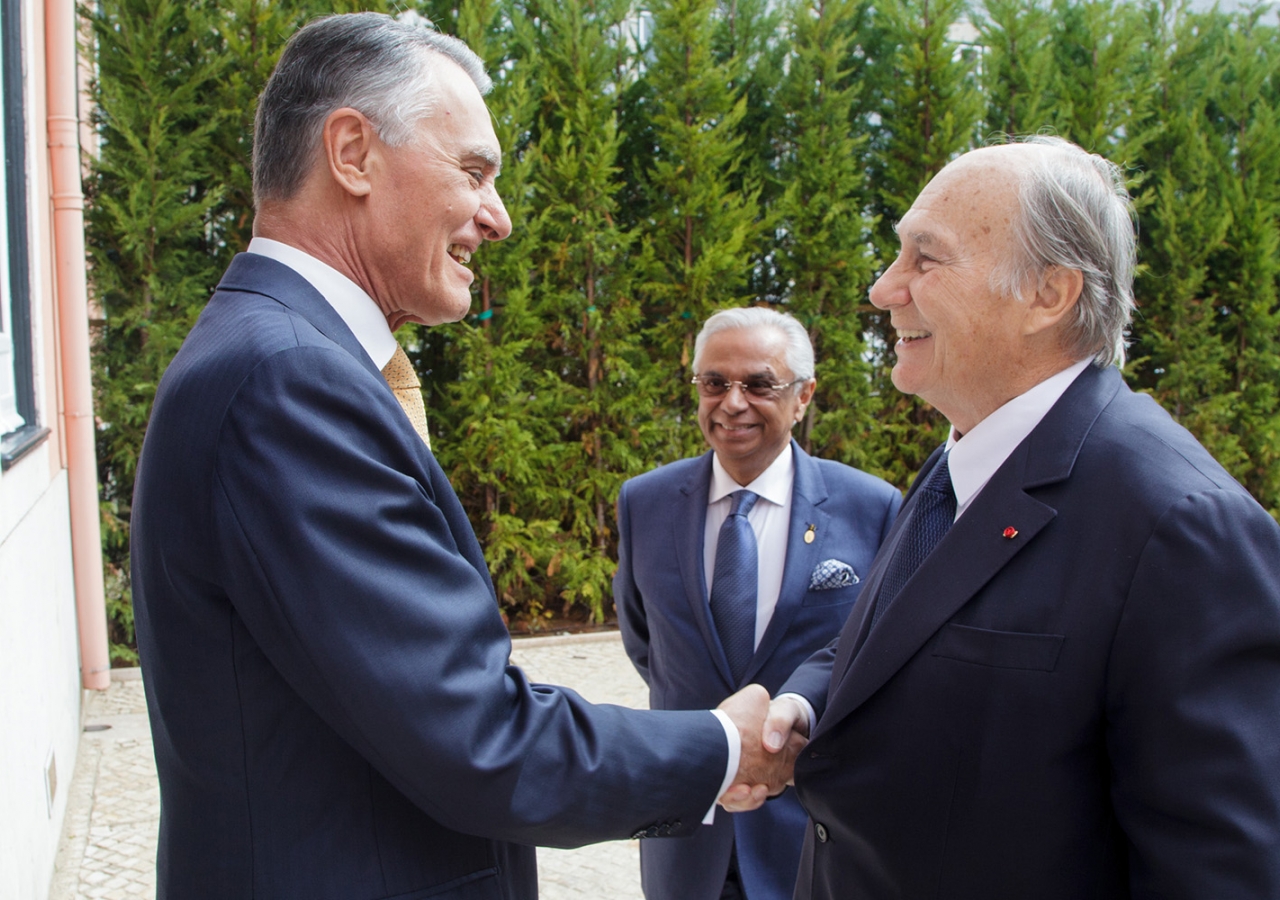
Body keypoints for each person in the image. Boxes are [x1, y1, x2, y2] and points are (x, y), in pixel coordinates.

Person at [129, 14, 792, 900]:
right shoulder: (288, 380)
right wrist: (718, 744)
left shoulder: (281, 355)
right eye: (475, 172)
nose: (500, 217)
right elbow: (476, 738)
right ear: (353, 153)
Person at [760, 136, 1280, 898]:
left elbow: (1222, 870)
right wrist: (800, 704)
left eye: (924, 259)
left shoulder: (1181, 526)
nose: (882, 288)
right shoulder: (967, 457)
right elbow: (894, 638)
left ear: (1050, 294)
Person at [613, 307, 901, 900]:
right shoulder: (645, 503)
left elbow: (874, 659)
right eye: (714, 383)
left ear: (803, 397)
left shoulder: (871, 509)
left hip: (813, 838)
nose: (733, 403)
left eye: (759, 384)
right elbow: (649, 646)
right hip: (686, 837)